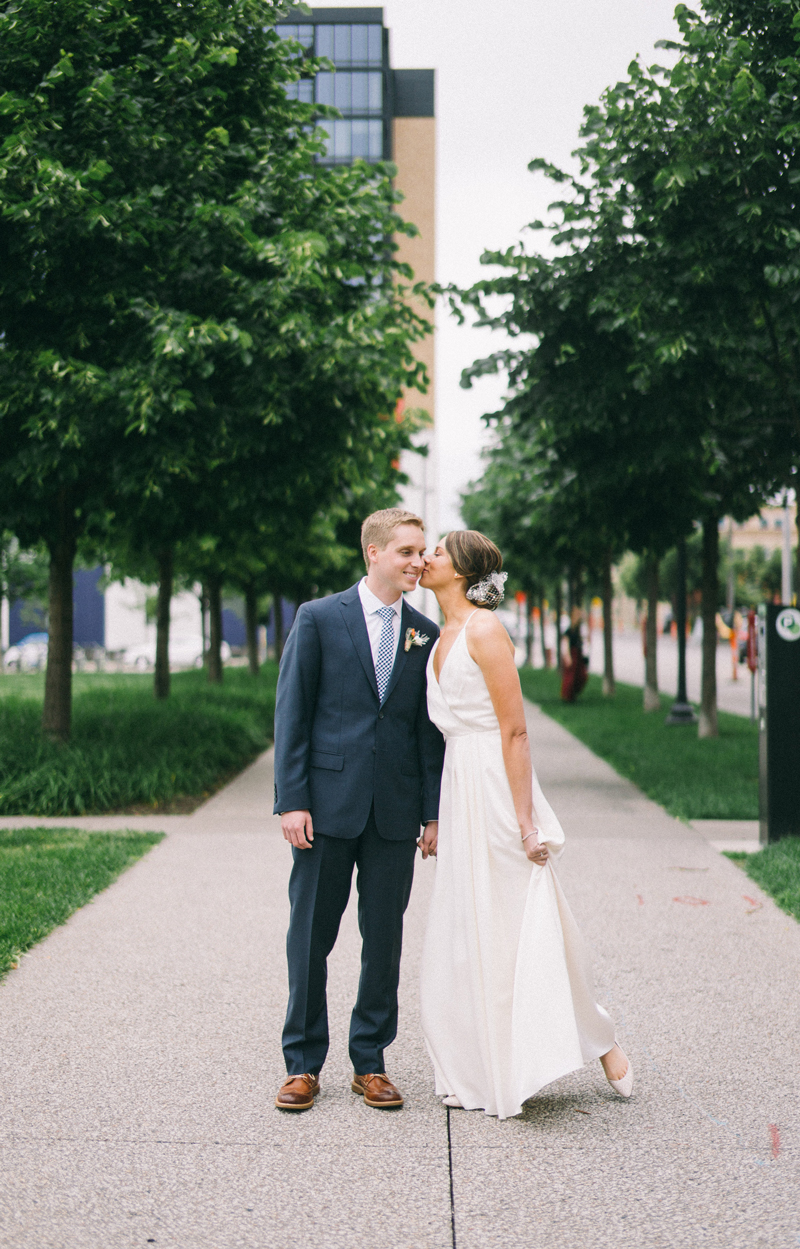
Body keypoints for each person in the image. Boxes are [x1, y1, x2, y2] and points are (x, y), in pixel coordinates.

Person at [418, 531, 632, 1119]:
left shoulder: (486, 630)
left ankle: (600, 1038)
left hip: (494, 786)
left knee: (522, 916)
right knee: (471, 925)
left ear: (461, 572)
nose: (427, 557)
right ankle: (487, 1059)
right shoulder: (438, 637)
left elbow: (514, 730)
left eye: (437, 551)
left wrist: (526, 822)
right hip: (459, 787)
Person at [272, 508, 445, 1112]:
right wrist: (291, 800)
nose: (418, 561)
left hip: (394, 814)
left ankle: (369, 1063)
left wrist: (432, 812)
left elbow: (428, 731)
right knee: (310, 937)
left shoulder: (425, 631)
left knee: (385, 941)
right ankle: (302, 1064)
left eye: (422, 551)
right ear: (372, 553)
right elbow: (292, 713)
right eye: (406, 551)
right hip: (324, 808)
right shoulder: (319, 619)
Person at [561, 605, 588, 702]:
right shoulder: (568, 630)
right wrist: (567, 656)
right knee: (570, 677)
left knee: (581, 676)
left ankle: (572, 694)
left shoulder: (578, 630)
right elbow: (565, 643)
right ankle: (568, 696)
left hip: (578, 655)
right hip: (572, 655)